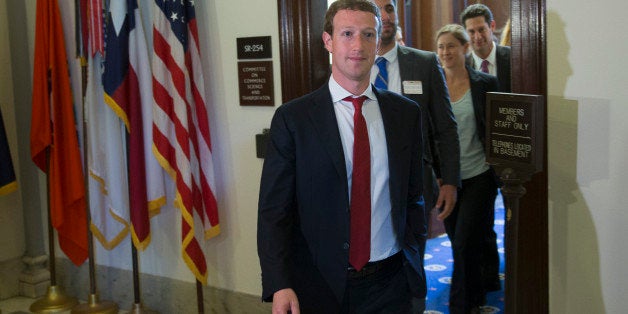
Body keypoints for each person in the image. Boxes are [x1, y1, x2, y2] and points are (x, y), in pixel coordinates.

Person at [257, 1, 426, 313]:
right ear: (328, 41)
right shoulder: (294, 118)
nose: (357, 45)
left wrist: (415, 260)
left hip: (390, 282)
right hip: (319, 284)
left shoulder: (405, 115)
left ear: (378, 41)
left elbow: (414, 196)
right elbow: (273, 212)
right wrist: (279, 282)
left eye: (368, 34)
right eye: (347, 33)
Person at [368, 0, 460, 241]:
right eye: (378, 10)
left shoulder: (425, 64)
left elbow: (446, 127)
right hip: (366, 182)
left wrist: (450, 181)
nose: (385, 16)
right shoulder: (355, 64)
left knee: (413, 258)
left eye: (389, 8)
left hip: (415, 181)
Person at [435, 24, 500, 314]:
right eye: (440, 47)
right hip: (447, 180)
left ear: (464, 48)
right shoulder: (433, 86)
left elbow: (496, 128)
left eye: (451, 45)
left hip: (479, 176)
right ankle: (476, 297)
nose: (446, 52)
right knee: (460, 243)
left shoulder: (485, 82)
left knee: (463, 242)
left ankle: (460, 307)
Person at [460, 3, 511, 92]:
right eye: (471, 32)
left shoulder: (512, 58)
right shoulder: (463, 66)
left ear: (492, 26)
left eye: (481, 30)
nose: (477, 37)